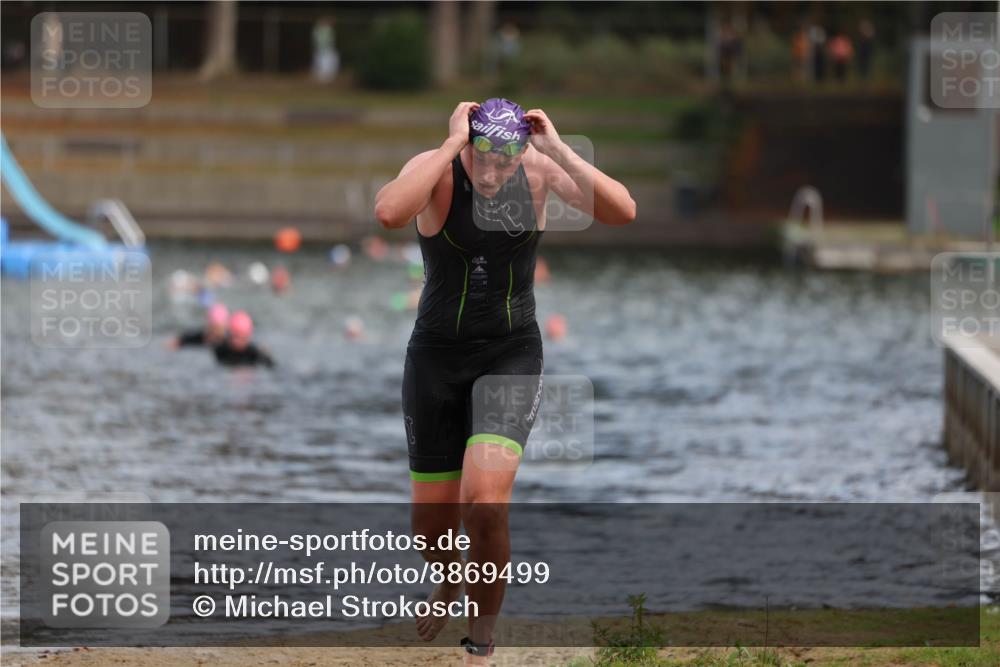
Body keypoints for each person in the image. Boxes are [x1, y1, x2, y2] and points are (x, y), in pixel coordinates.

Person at [375, 98, 635, 664]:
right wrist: (448, 144)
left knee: (486, 504)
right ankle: (449, 579)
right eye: (483, 157)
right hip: (436, 360)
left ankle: (480, 643)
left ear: (521, 153)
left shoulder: (538, 172)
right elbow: (390, 213)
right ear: (469, 145)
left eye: (506, 160)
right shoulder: (439, 171)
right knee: (429, 529)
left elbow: (623, 211)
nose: (493, 173)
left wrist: (558, 148)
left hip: (510, 354)